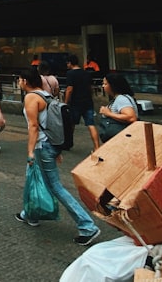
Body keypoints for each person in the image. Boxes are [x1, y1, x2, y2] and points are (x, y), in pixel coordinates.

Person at [16, 67, 101, 246]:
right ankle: (29, 213)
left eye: (20, 79)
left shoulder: (31, 98)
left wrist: (30, 151)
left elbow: (33, 126)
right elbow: (54, 123)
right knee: (32, 177)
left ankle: (87, 225)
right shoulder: (46, 95)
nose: (18, 82)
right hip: (51, 145)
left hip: (42, 146)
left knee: (55, 186)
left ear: (24, 80)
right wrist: (57, 150)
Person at [64, 54, 99, 151]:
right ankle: (97, 146)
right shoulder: (86, 73)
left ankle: (68, 143)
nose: (67, 65)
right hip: (87, 102)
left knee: (71, 124)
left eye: (67, 63)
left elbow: (69, 89)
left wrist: (66, 102)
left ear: (70, 63)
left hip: (75, 102)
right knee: (91, 124)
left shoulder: (70, 74)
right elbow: (90, 88)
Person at [97, 73, 139, 142]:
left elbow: (131, 117)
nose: (103, 86)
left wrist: (108, 113)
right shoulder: (119, 98)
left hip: (123, 138)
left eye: (105, 84)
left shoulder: (121, 99)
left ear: (113, 85)